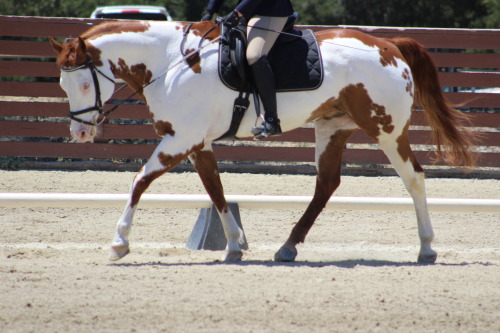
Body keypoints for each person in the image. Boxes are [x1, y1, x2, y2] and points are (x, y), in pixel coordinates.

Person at [202, 0, 295, 139]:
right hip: (248, 13)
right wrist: (209, 12)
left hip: (269, 10)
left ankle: (272, 120)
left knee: (254, 55)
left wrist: (237, 13)